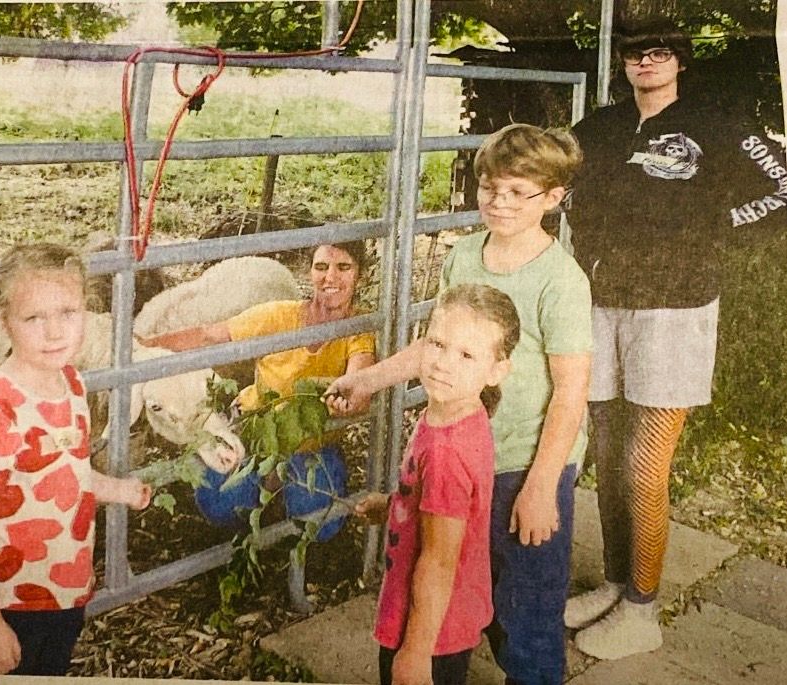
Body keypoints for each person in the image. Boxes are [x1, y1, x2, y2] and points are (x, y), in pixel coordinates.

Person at [327, 124, 592, 685]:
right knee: (457, 583)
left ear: (552, 198)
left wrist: (542, 486)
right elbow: (434, 342)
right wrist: (368, 379)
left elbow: (571, 390)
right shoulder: (465, 255)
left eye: (518, 192)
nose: (500, 202)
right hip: (461, 454)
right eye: (490, 187)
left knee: (526, 610)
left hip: (522, 462)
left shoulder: (561, 281)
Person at [565, 16, 787, 660]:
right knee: (608, 455)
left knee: (645, 462)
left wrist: (717, 224)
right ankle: (617, 581)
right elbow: (554, 183)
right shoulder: (599, 129)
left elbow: (781, 186)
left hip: (677, 306)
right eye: (636, 52)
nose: (647, 62)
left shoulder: (717, 123)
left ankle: (644, 610)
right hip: (601, 301)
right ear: (623, 62)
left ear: (681, 61)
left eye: (660, 52)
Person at [0, 243, 152, 676]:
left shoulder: (72, 385)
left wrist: (119, 490)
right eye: (33, 318)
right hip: (10, 602)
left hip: (66, 590)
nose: (55, 332)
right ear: (5, 323)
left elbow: (70, 471)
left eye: (68, 313)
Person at [355, 283, 518, 685]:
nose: (444, 363)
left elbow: (439, 561)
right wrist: (395, 505)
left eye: (466, 355)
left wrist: (415, 653)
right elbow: (448, 509)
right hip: (449, 616)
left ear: (496, 370)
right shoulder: (460, 414)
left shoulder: (446, 451)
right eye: (437, 344)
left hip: (430, 630)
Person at [141, 241, 375, 415]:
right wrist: (145, 346)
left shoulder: (359, 329)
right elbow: (207, 334)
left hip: (313, 444)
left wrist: (349, 398)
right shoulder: (278, 315)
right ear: (309, 273)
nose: (330, 277)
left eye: (343, 267)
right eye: (321, 267)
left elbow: (358, 385)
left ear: (360, 276)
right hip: (255, 425)